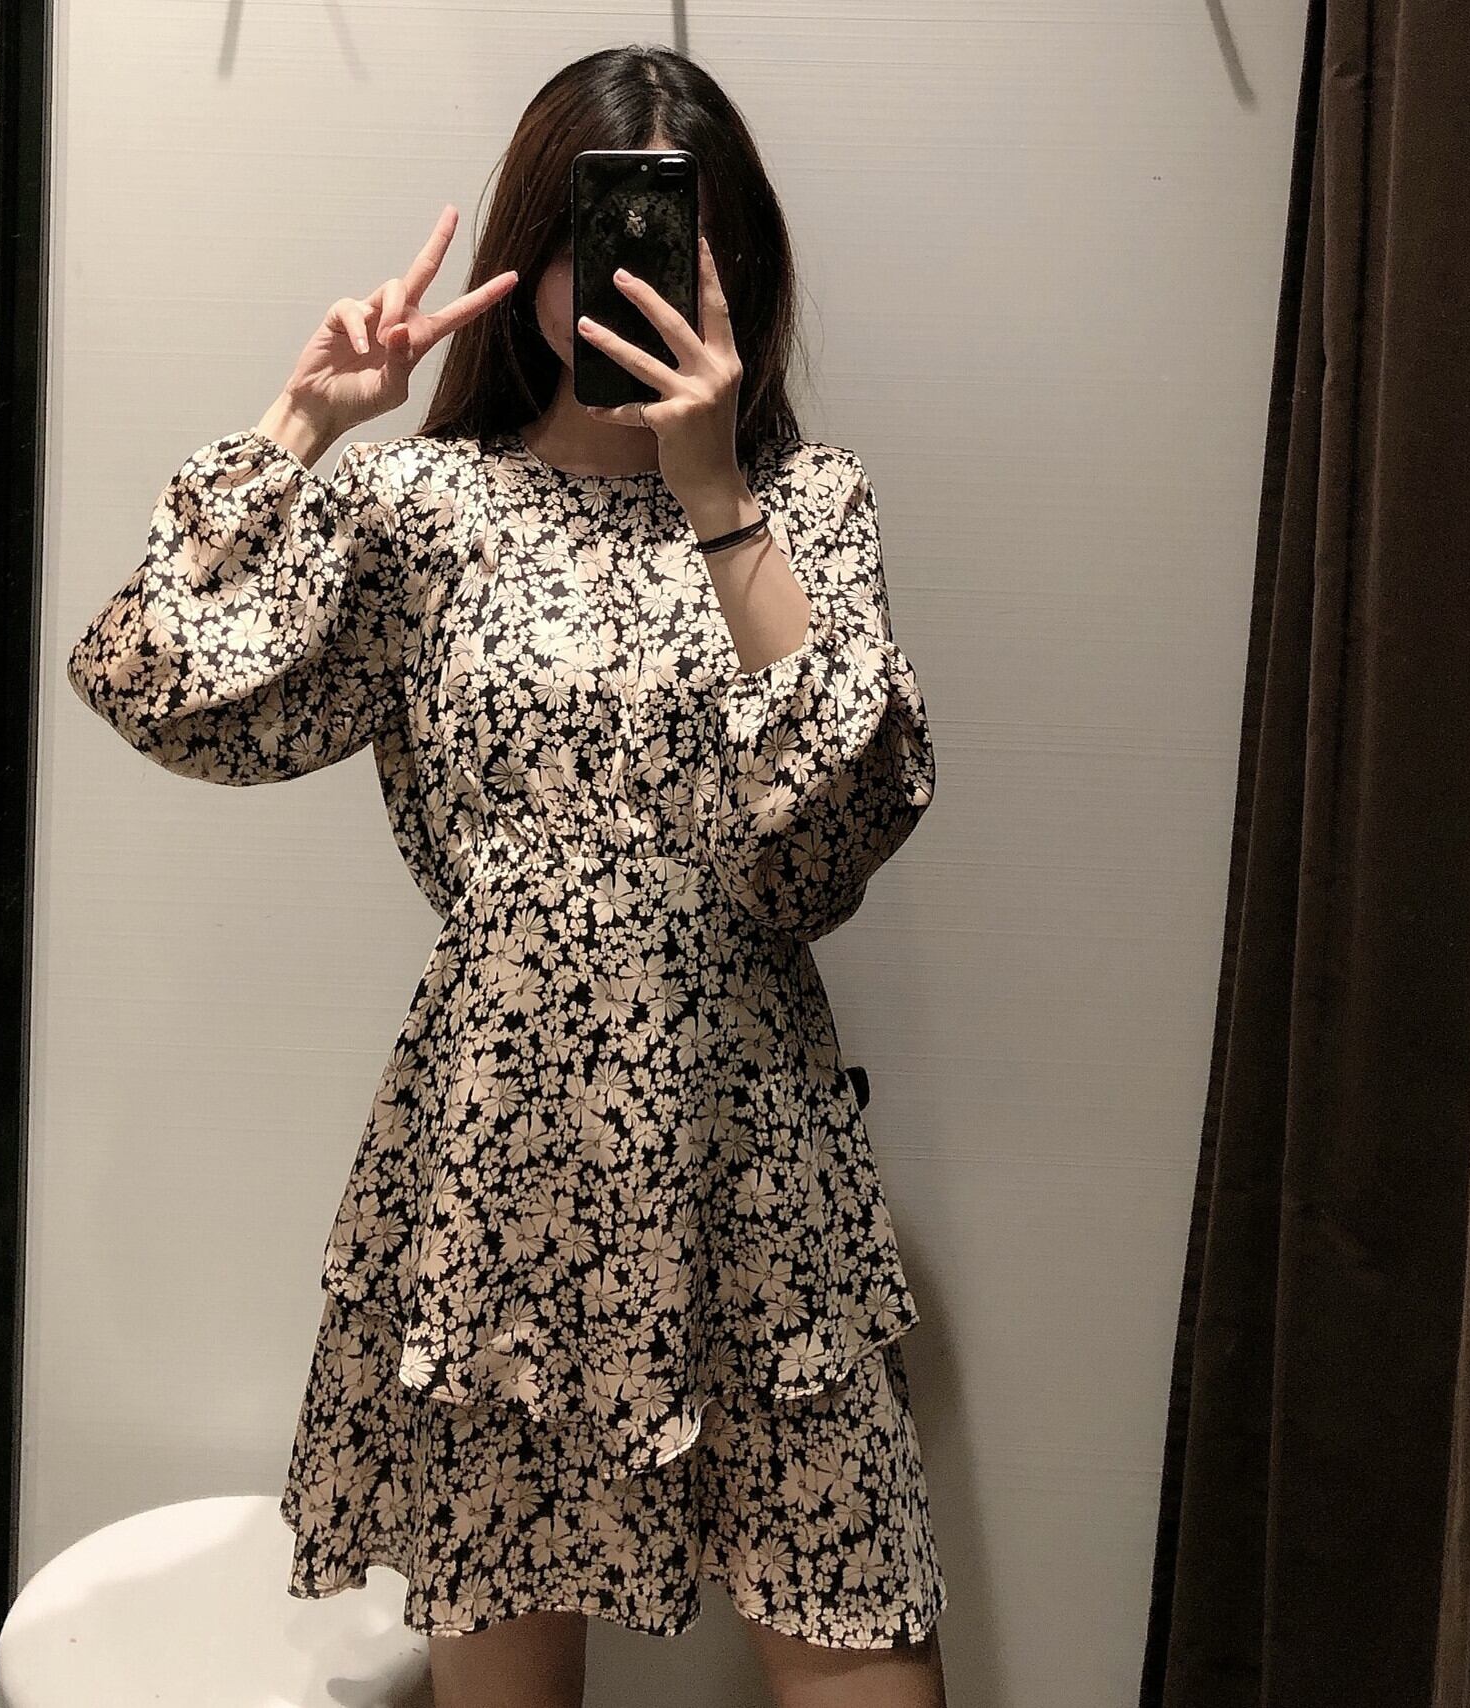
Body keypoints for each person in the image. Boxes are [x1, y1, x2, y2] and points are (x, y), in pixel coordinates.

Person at [67, 43, 945, 1708]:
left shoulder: (807, 509)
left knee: (865, 1653)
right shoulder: (429, 508)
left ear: (742, 267)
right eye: (604, 234)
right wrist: (300, 427)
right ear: (534, 253)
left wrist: (714, 498)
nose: (639, 276)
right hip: (499, 1168)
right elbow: (153, 681)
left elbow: (836, 840)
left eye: (684, 239)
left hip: (752, 1161)